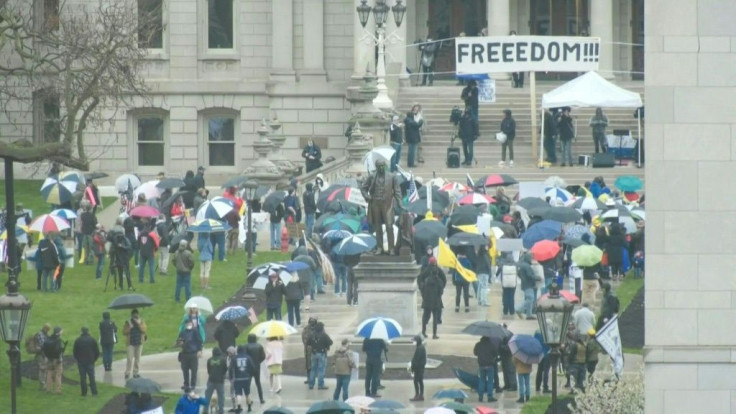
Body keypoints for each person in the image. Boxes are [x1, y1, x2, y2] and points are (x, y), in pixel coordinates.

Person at [360, 159, 402, 255]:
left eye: (383, 166)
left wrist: (400, 203)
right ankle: (380, 247)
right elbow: (363, 188)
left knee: (389, 226)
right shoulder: (372, 176)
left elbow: (397, 191)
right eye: (380, 166)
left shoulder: (392, 177)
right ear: (377, 167)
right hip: (375, 204)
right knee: (377, 226)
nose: (382, 168)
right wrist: (367, 196)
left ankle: (391, 248)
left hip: (387, 205)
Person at [417, 256, 446, 339]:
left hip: (427, 299)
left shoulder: (425, 273)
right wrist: (441, 291)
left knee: (425, 316)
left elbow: (420, 279)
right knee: (435, 317)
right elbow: (444, 281)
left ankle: (423, 331)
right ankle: (434, 334)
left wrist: (422, 289)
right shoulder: (439, 278)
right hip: (436, 300)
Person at [176, 319, 203, 390]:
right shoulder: (183, 333)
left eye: (190, 323)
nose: (189, 325)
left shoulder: (195, 332)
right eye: (187, 324)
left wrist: (200, 350)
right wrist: (179, 343)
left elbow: (199, 341)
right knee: (185, 370)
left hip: (193, 353)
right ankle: (186, 384)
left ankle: (193, 384)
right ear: (185, 325)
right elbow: (179, 341)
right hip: (184, 353)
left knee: (194, 370)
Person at [73, 326, 100, 397]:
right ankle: (94, 392)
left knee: (82, 377)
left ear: (81, 332)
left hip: (81, 362)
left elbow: (75, 352)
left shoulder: (78, 340)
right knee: (92, 377)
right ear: (88, 331)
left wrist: (78, 359)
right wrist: (94, 359)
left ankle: (84, 393)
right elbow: (97, 352)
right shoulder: (92, 340)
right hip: (90, 361)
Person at [123, 309, 147, 380]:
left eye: (136, 315)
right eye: (134, 315)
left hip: (139, 342)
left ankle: (135, 373)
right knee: (129, 358)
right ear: (132, 315)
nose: (135, 316)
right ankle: (127, 373)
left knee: (137, 359)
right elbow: (124, 332)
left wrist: (139, 324)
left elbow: (144, 330)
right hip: (130, 343)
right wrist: (129, 328)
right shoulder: (128, 322)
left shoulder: (141, 321)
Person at [230, 345, 255, 413]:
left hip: (238, 378)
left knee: (238, 394)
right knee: (247, 393)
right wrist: (250, 374)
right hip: (246, 378)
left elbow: (230, 368)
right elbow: (252, 367)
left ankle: (239, 407)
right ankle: (249, 407)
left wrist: (231, 377)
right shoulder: (248, 357)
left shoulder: (234, 358)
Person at [308, 321, 333, 390]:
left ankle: (311, 384)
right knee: (321, 370)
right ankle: (320, 384)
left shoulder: (312, 335)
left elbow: (308, 343)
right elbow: (331, 342)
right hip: (321, 353)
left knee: (313, 369)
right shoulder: (324, 335)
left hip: (313, 353)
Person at [42, 325, 66, 395]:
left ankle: (48, 389)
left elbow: (44, 348)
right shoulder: (58, 340)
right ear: (59, 332)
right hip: (57, 360)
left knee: (49, 373)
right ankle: (58, 390)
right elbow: (59, 351)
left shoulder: (49, 338)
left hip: (49, 359)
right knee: (58, 374)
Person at [474, 336, 498, 403]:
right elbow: (495, 354)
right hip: (490, 365)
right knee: (490, 382)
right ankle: (490, 397)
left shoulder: (478, 344)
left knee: (482, 380)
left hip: (481, 365)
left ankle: (480, 396)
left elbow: (475, 353)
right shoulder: (491, 345)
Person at [244, 334, 267, 404]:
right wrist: (258, 361)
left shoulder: (246, 346)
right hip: (257, 367)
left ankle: (248, 399)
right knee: (258, 383)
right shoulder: (259, 346)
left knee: (248, 384)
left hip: (249, 368)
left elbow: (245, 356)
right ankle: (261, 399)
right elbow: (263, 356)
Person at [205, 347, 228, 414]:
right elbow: (225, 369)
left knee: (207, 396)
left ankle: (205, 410)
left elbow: (208, 370)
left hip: (211, 380)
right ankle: (221, 410)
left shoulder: (209, 360)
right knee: (221, 396)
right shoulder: (223, 360)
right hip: (220, 381)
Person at [515, 253, 538, 320]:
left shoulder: (522, 265)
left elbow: (519, 273)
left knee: (529, 298)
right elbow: (530, 276)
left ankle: (529, 314)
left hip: (524, 284)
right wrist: (537, 278)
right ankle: (518, 308)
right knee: (530, 298)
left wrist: (523, 278)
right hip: (528, 284)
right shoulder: (527, 266)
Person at [30, 323, 51, 390]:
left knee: (44, 370)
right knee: (42, 369)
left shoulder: (44, 334)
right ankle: (43, 385)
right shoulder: (40, 334)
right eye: (47, 329)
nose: (47, 331)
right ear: (45, 328)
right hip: (41, 355)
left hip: (43, 354)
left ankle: (42, 385)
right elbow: (43, 345)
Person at [409, 334, 427, 402]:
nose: (414, 342)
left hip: (418, 368)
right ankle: (421, 395)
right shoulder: (421, 347)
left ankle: (417, 395)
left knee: (416, 381)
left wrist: (413, 367)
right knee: (420, 381)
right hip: (420, 367)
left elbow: (417, 359)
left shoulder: (420, 348)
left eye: (415, 341)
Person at [534, 330, 551, 394]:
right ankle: (545, 387)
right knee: (546, 371)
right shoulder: (548, 334)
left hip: (540, 354)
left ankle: (537, 387)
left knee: (539, 370)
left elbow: (534, 342)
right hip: (547, 354)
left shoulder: (537, 333)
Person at [302, 317, 318, 383]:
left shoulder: (318, 329)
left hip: (316, 349)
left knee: (315, 364)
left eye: (313, 321)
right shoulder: (306, 329)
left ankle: (314, 378)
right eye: (311, 321)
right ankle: (309, 378)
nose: (312, 323)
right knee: (308, 364)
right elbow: (304, 338)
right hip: (308, 349)